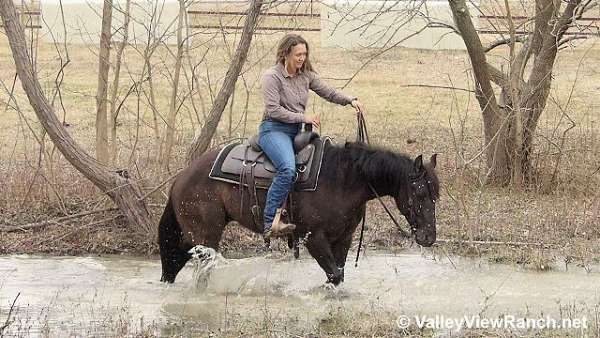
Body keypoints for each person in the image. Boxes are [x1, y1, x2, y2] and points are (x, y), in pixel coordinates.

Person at [259, 34, 364, 239]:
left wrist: (350, 100)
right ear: (286, 54)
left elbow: (329, 92)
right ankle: (270, 221)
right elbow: (273, 110)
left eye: (304, 54)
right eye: (298, 54)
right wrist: (303, 116)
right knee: (288, 169)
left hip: (296, 132)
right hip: (273, 130)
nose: (302, 58)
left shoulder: (306, 75)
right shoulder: (272, 76)